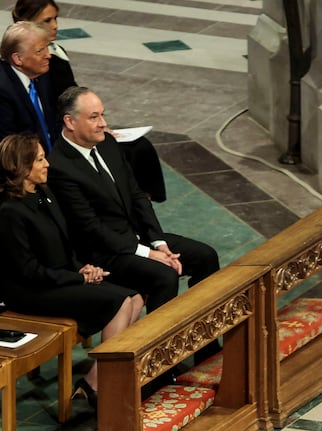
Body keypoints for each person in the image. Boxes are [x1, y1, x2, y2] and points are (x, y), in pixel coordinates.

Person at [47, 86, 221, 362]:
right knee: (163, 275)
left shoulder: (107, 143)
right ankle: (157, 364)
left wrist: (158, 242)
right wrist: (150, 254)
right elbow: (92, 228)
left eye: (102, 115)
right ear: (70, 122)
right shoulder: (59, 167)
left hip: (136, 240)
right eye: (93, 117)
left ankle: (206, 348)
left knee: (205, 256)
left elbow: (137, 196)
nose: (103, 123)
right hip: (105, 253)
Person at [0, 132, 144, 407]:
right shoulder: (9, 212)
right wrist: (77, 277)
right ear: (23, 167)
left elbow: (64, 246)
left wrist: (83, 268)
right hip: (30, 291)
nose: (47, 164)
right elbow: (29, 271)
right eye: (40, 160)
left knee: (135, 298)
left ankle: (93, 381)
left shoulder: (44, 193)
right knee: (121, 301)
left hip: (58, 278)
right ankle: (102, 385)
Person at [11, 0, 168, 202]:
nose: (55, 26)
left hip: (71, 122)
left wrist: (94, 121)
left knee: (139, 148)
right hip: (60, 134)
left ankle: (140, 208)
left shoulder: (56, 53)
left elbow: (72, 94)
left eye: (55, 19)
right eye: (46, 21)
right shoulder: (30, 64)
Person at [0, 21, 59, 152]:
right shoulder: (3, 90)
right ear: (18, 59)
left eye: (47, 47)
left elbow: (53, 121)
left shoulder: (41, 75)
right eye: (40, 51)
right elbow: (9, 146)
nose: (48, 55)